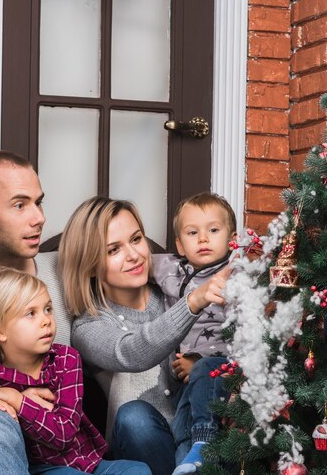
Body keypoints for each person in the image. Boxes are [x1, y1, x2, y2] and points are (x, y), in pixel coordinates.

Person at [58, 196, 232, 475]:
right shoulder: (89, 325)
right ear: (89, 263)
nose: (133, 255)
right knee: (133, 416)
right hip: (147, 447)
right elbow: (132, 351)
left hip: (204, 431)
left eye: (136, 239)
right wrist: (192, 302)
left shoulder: (173, 290)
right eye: (114, 249)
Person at [0, 269, 152, 475]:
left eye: (48, 309)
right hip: (40, 469)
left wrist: (17, 401)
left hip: (87, 463)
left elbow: (64, 433)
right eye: (30, 313)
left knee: (138, 469)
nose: (46, 320)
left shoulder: (65, 359)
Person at [0, 150, 71, 474]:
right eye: (20, 205)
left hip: (62, 452)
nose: (38, 218)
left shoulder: (63, 273)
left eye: (39, 202)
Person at [151, 192, 237, 475]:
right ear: (179, 244)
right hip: (185, 381)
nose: (203, 239)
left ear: (231, 238)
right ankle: (188, 461)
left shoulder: (235, 275)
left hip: (221, 371)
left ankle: (205, 444)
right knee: (182, 427)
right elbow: (136, 260)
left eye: (213, 230)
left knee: (204, 378)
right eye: (192, 232)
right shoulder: (170, 270)